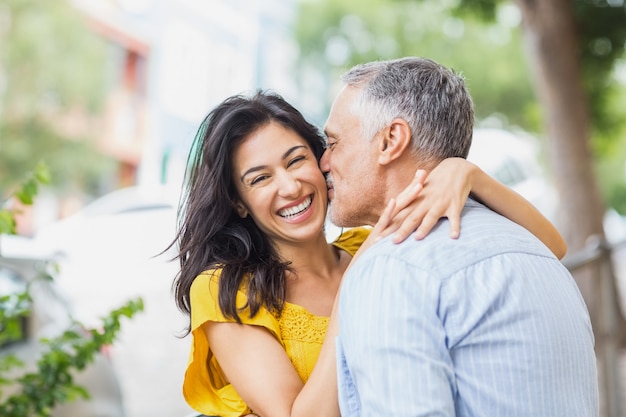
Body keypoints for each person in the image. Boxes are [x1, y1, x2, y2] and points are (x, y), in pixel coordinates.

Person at [172, 90, 567, 417]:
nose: (290, 187)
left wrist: (467, 173)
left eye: (296, 160)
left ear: (321, 161)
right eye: (260, 178)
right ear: (239, 203)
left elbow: (551, 247)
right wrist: (358, 278)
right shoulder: (224, 289)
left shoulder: (372, 242)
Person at [322, 57, 599, 416]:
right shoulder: (536, 252)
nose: (323, 163)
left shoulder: (394, 267)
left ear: (390, 141)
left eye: (334, 142)